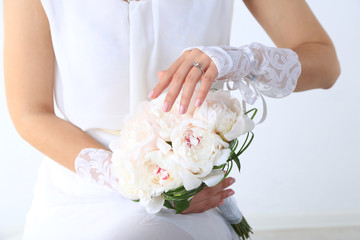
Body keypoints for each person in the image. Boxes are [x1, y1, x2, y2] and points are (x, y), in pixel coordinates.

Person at [3, 0, 340, 239]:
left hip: (192, 194)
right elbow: (32, 112)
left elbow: (325, 65)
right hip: (77, 187)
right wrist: (146, 185)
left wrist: (240, 60)